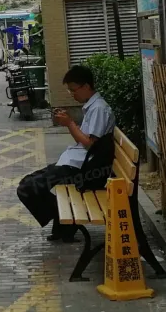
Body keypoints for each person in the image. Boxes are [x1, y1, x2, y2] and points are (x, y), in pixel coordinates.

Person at [16, 65, 115, 242]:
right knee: (27, 184)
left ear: (86, 86)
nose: (72, 94)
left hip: (81, 170)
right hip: (73, 162)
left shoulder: (99, 109)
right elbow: (85, 139)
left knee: (27, 188)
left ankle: (67, 221)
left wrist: (70, 123)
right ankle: (64, 222)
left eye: (73, 90)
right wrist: (69, 122)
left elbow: (90, 144)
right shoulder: (92, 107)